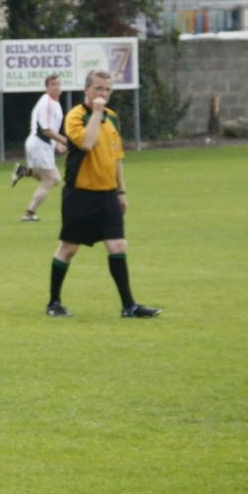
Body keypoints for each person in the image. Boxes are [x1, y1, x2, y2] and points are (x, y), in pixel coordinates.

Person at [46, 70, 161, 319]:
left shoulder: (113, 118)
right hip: (80, 195)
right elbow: (86, 144)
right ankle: (54, 303)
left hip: (108, 194)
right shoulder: (75, 117)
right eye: (98, 89)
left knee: (118, 245)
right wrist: (96, 113)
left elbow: (117, 157)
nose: (103, 94)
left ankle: (129, 306)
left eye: (107, 90)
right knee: (68, 249)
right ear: (86, 90)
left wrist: (122, 191)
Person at [10, 74, 68, 221]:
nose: (57, 87)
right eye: (53, 84)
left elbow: (50, 129)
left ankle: (23, 171)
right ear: (47, 87)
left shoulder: (54, 103)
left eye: (58, 84)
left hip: (41, 145)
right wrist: (64, 140)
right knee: (50, 180)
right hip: (39, 145)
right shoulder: (47, 102)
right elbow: (46, 130)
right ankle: (29, 213)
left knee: (52, 178)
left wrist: (57, 145)